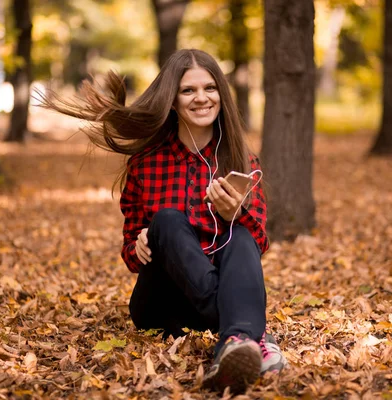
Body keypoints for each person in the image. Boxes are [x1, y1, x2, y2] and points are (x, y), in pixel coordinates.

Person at [43, 49, 286, 394]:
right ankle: (250, 331)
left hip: (213, 302)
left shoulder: (242, 160)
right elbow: (130, 252)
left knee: (243, 235)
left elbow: (259, 244)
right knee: (167, 220)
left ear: (221, 95)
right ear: (172, 100)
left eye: (210, 88)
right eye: (188, 90)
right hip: (162, 304)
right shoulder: (146, 163)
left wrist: (235, 214)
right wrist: (139, 245)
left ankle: (236, 342)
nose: (201, 98)